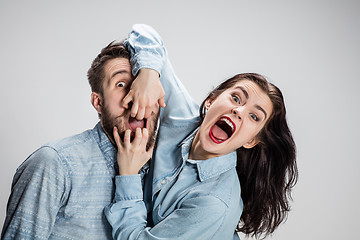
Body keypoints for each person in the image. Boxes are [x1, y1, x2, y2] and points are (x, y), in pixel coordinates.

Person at [104, 24, 298, 239]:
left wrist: (128, 174)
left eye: (254, 116)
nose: (239, 111)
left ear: (251, 140)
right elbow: (144, 33)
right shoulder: (182, 119)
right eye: (236, 98)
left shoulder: (214, 202)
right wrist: (149, 73)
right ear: (211, 101)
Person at [1, 39, 164, 239]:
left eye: (142, 86)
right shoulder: (54, 164)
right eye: (121, 84)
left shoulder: (169, 172)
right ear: (98, 102)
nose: (136, 97)